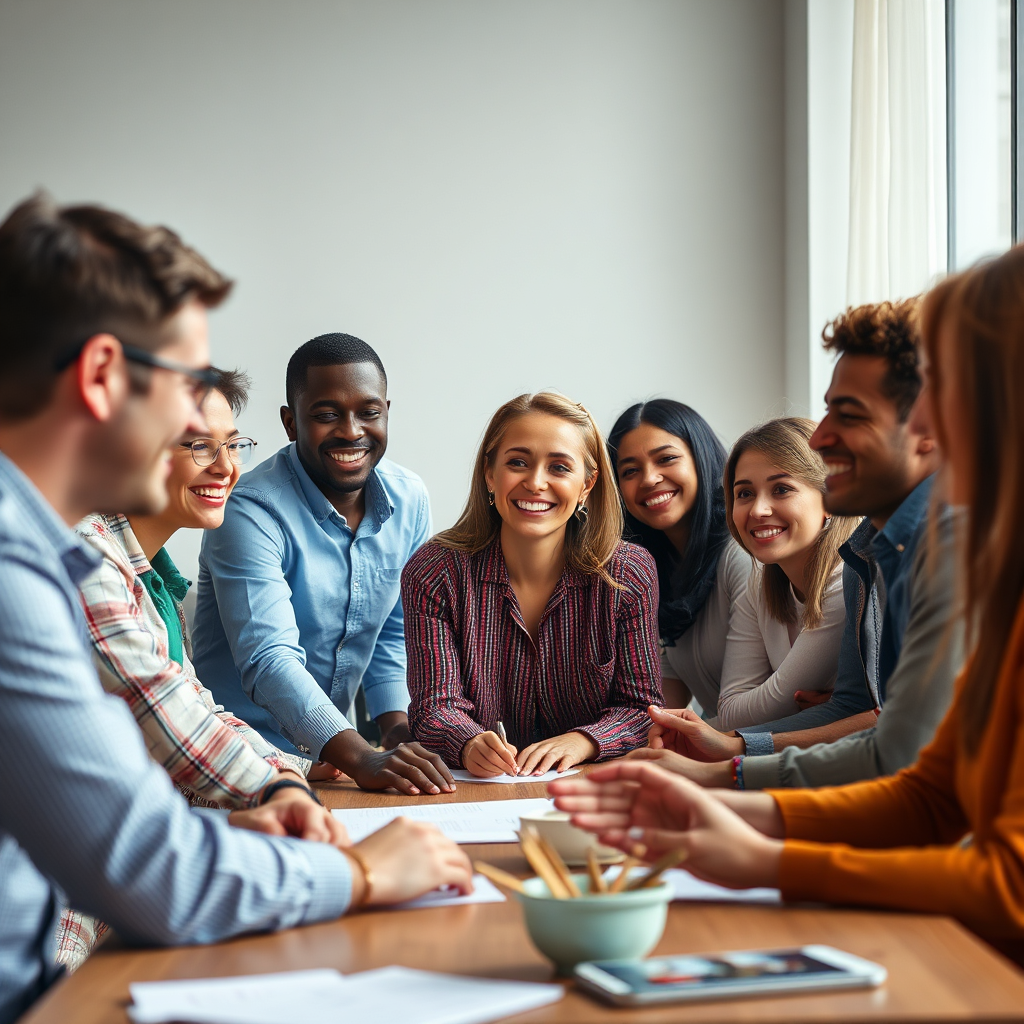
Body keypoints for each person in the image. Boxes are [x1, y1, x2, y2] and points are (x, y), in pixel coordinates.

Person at [0, 194, 471, 1024]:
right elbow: (147, 864)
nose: (211, 434)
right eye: (189, 386)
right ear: (102, 376)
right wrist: (362, 872)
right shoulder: (18, 567)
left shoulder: (42, 543)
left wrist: (274, 796)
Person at [551, 246, 1024, 963]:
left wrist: (760, 845)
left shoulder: (945, 544)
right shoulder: (901, 549)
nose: (820, 437)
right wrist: (731, 803)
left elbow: (998, 873)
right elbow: (930, 790)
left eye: (945, 384)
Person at [58, 372, 330, 971]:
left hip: (112, 886)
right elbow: (162, 711)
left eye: (233, 444)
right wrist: (278, 785)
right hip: (57, 913)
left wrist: (304, 766)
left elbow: (196, 702)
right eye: (198, 444)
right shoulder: (83, 553)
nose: (226, 466)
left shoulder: (145, 574)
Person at [637, 299, 960, 790]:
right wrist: (731, 771)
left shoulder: (953, 554)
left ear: (930, 429)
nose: (822, 437)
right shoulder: (872, 556)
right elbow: (875, 734)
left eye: (847, 415)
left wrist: (732, 773)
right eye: (744, 493)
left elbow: (890, 747)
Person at [193, 333, 456, 796]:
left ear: (386, 412)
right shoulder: (247, 510)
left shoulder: (410, 497)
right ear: (291, 423)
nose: (352, 431)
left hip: (337, 764)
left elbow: (394, 629)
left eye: (368, 412)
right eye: (327, 414)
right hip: (238, 763)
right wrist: (365, 757)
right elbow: (269, 657)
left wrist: (395, 729)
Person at [403, 392, 664, 777]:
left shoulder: (628, 574)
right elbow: (433, 707)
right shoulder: (435, 572)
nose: (536, 482)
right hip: (480, 789)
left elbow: (641, 707)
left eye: (559, 468)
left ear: (587, 486)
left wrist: (583, 741)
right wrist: (468, 741)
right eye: (518, 463)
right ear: (490, 473)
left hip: (593, 787)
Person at [709, 417, 859, 730]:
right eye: (745, 493)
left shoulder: (848, 576)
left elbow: (770, 705)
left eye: (781, 489)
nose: (758, 510)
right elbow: (730, 711)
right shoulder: (758, 582)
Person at [607, 400, 749, 715]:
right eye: (630, 470)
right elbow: (662, 702)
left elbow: (746, 710)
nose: (649, 479)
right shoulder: (658, 570)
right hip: (718, 747)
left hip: (765, 751)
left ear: (701, 457)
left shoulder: (742, 554)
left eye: (666, 459)